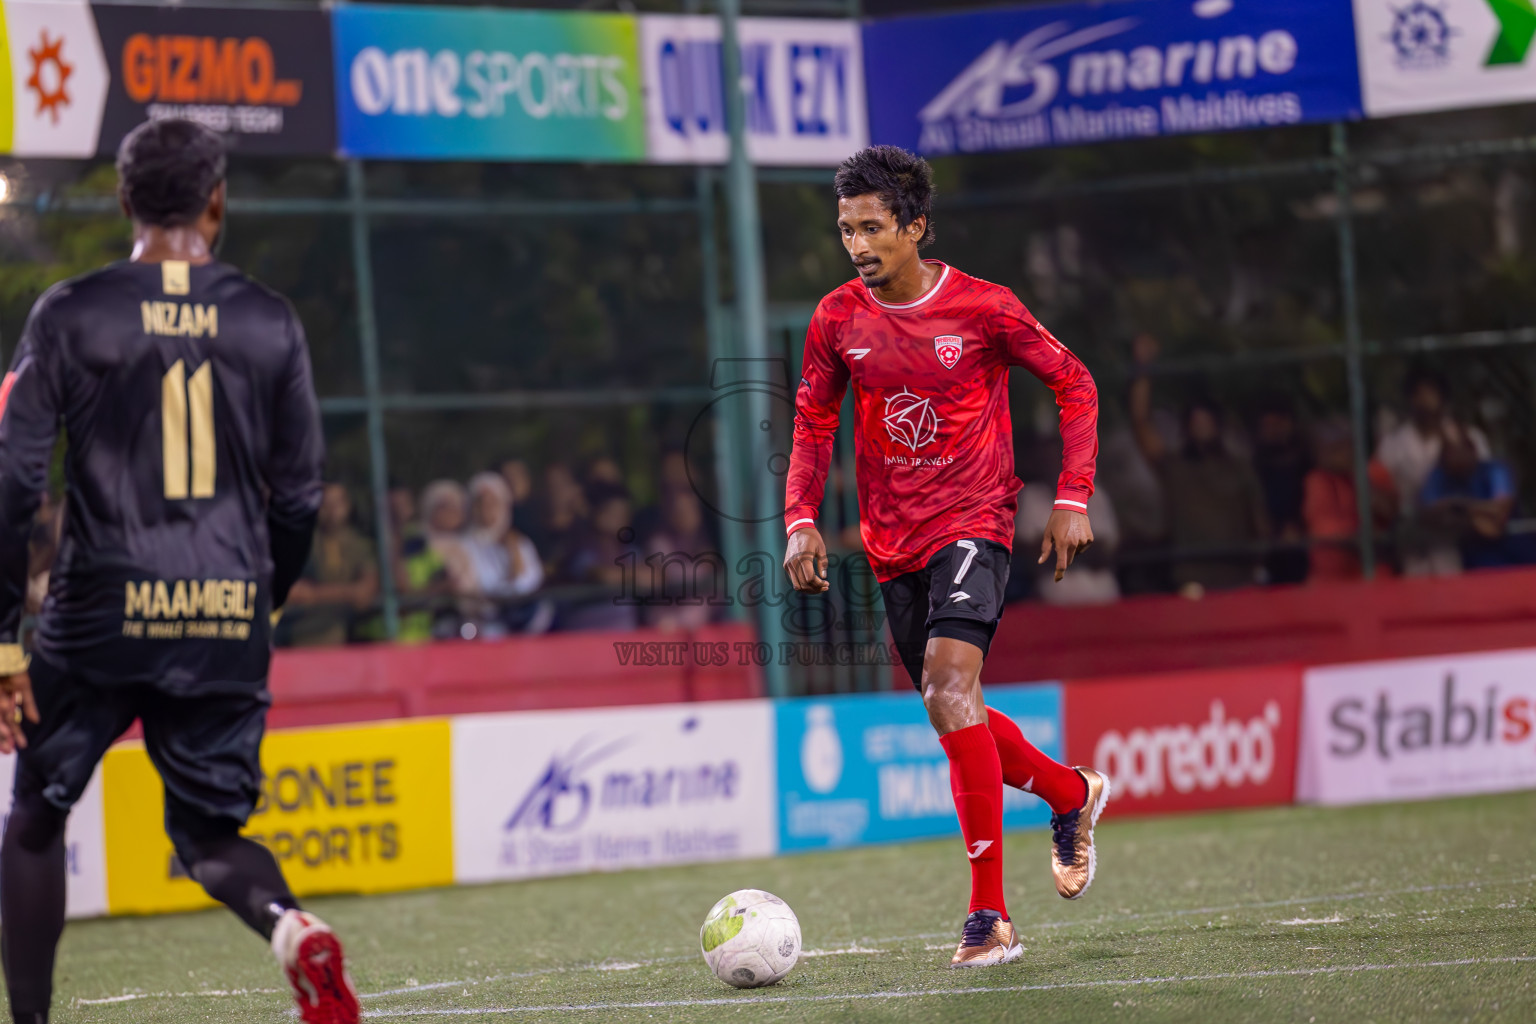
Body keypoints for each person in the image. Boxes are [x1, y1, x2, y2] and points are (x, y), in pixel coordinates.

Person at [0, 120, 359, 1023]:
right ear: (217, 200)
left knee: (38, 817)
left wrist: (5, 642)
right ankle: (290, 925)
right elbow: (302, 495)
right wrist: (256, 601)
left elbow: (11, 479)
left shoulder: (68, 312)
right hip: (224, 609)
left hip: (97, 615)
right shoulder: (269, 320)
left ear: (124, 201)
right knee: (207, 835)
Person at [782, 145, 1108, 969]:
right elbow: (814, 423)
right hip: (894, 543)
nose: (857, 245)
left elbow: (1075, 383)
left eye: (873, 228)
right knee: (948, 707)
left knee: (947, 684)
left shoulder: (986, 308)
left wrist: (1072, 497)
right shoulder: (835, 320)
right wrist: (800, 520)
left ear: (915, 227)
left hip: (976, 519)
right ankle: (1071, 794)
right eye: (846, 229)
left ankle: (989, 917)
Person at [1130, 381, 1269, 595]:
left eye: (1206, 421)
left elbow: (1260, 522)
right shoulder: (1176, 468)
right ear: (1187, 427)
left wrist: (1259, 564)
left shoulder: (1239, 469)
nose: (1201, 426)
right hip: (1192, 579)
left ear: (1218, 424)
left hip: (1238, 577)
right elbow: (1141, 425)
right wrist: (1142, 370)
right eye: (1196, 421)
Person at [282, 483, 379, 647]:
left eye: (337, 503)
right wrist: (349, 593)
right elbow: (294, 593)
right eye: (326, 504)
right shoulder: (302, 542)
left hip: (347, 634)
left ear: (348, 505)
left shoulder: (359, 545)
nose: (332, 510)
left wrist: (315, 594)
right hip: (304, 634)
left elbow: (365, 593)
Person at [1418, 421, 1524, 571]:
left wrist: (1459, 506)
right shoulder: (1439, 476)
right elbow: (1428, 513)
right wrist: (1474, 515)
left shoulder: (1495, 470)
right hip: (1470, 557)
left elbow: (1499, 512)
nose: (1453, 456)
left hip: (1513, 546)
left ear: (1472, 450)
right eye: (1448, 450)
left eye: (1458, 449)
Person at [1302, 418, 1396, 581]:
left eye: (1340, 446)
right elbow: (1324, 530)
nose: (1335, 453)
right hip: (1330, 576)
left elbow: (1389, 513)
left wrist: (1359, 479)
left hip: (1372, 572)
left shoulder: (1374, 472)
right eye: (1327, 448)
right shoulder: (1316, 480)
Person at [462, 472, 548, 636]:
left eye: (492, 504)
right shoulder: (463, 545)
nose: (486, 510)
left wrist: (513, 553)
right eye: (480, 504)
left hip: (524, 625)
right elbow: (476, 587)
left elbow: (530, 581)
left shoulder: (519, 542)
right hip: (483, 628)